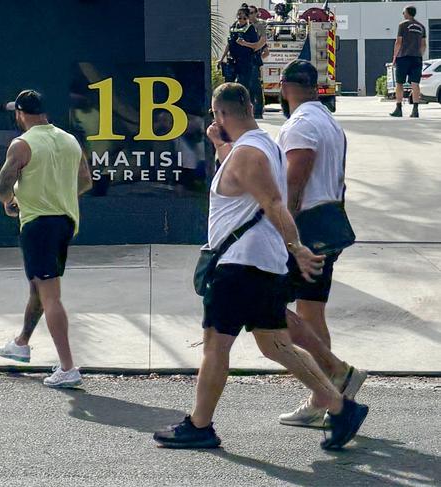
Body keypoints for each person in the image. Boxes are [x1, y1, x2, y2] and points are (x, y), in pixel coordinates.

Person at [153, 83, 369, 450]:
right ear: (251, 107)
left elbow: (272, 201)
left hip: (240, 267)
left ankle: (199, 425)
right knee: (274, 345)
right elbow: (242, 177)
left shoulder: (249, 154)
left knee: (215, 345)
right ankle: (338, 404)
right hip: (258, 266)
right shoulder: (261, 146)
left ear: (220, 114)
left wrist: (297, 247)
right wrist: (219, 143)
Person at [277, 60, 367, 428]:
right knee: (312, 312)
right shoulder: (330, 121)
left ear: (283, 86)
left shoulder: (301, 125)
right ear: (315, 86)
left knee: (267, 306)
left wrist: (285, 235)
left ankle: (334, 379)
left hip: (307, 232)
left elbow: (293, 184)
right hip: (329, 227)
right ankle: (327, 393)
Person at [0, 89, 93, 388]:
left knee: (51, 296)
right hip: (64, 223)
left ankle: (68, 367)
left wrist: (9, 201)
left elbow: (2, 185)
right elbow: (86, 181)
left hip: (38, 225)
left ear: (21, 113)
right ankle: (21, 343)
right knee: (39, 286)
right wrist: (61, 196)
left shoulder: (22, 144)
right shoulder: (68, 139)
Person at [390, 5, 427, 118]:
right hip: (416, 58)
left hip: (403, 57)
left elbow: (398, 42)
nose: (403, 14)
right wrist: (419, 55)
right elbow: (424, 44)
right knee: (415, 84)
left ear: (407, 13)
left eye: (403, 12)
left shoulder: (403, 25)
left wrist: (395, 56)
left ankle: (398, 108)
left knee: (399, 83)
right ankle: (415, 110)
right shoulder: (421, 26)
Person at [237, 4, 270, 119]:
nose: (249, 15)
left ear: (256, 13)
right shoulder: (243, 25)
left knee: (255, 85)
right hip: (243, 60)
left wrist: (253, 49)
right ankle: (247, 110)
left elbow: (262, 42)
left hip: (253, 58)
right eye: (248, 13)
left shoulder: (259, 25)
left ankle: (258, 111)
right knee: (245, 86)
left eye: (251, 13)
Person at [218, 7, 258, 95]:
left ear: (247, 18)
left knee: (243, 85)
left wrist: (245, 43)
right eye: (239, 17)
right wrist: (222, 58)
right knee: (228, 85)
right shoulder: (233, 27)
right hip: (232, 60)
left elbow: (256, 45)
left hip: (245, 61)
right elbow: (229, 44)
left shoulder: (251, 29)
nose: (241, 20)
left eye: (244, 18)